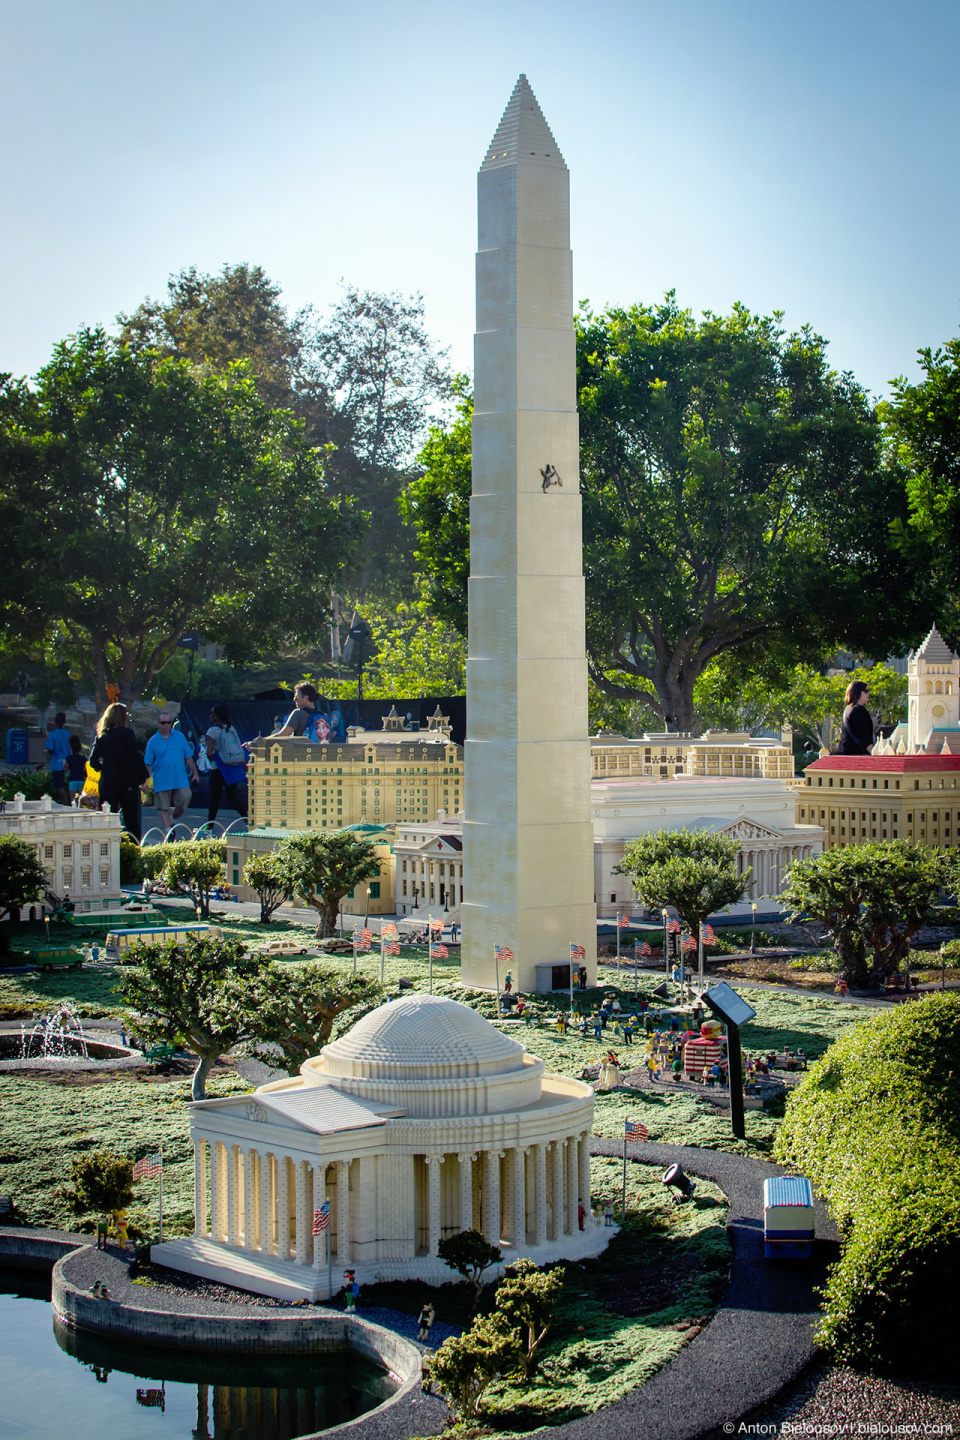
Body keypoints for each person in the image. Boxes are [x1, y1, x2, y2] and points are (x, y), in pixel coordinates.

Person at [89, 704, 148, 840]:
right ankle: (133, 848)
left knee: (108, 820)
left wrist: (103, 767)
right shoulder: (127, 733)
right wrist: (143, 776)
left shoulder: (102, 736)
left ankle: (108, 848)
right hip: (126, 782)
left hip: (108, 782)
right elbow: (135, 755)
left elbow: (93, 761)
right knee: (131, 820)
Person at [144, 712, 199, 835]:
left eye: (168, 722)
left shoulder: (179, 736)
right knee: (163, 807)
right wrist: (146, 780)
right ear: (158, 724)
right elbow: (147, 762)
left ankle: (173, 819)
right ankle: (168, 832)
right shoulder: (153, 741)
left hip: (180, 778)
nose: (166, 725)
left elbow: (188, 757)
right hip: (161, 779)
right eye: (163, 723)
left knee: (185, 799)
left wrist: (195, 773)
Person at [205, 704, 248, 824]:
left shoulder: (212, 731)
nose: (210, 715)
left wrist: (216, 760)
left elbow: (209, 753)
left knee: (215, 798)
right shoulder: (230, 728)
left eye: (212, 713)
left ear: (216, 716)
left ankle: (210, 827)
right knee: (232, 796)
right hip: (232, 767)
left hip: (218, 768)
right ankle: (247, 821)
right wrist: (244, 767)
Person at [837, 680, 874, 755]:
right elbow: (864, 736)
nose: (868, 693)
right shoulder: (859, 710)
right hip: (856, 755)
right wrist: (873, 754)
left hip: (845, 753)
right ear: (857, 692)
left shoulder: (848, 709)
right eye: (866, 691)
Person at [45, 713, 72, 804]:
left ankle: (65, 803)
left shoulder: (52, 735)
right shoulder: (68, 734)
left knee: (59, 785)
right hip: (67, 763)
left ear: (55, 722)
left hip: (57, 764)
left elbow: (50, 750)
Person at [64, 735, 88, 802]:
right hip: (81, 779)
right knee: (82, 799)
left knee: (73, 799)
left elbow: (65, 769)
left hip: (72, 779)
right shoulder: (83, 758)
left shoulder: (69, 758)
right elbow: (84, 770)